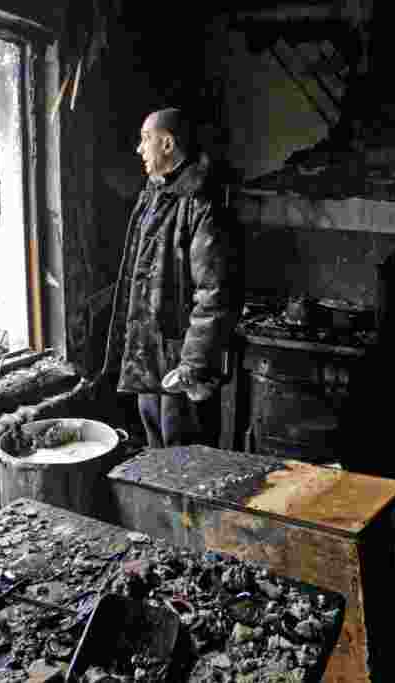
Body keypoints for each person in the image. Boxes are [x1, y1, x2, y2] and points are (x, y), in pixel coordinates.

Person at [76, 108, 237, 449]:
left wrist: (192, 366)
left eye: (145, 139)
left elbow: (213, 292)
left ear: (167, 144)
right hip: (148, 356)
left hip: (180, 362)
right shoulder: (153, 192)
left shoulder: (200, 202)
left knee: (184, 455)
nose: (139, 149)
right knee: (155, 451)